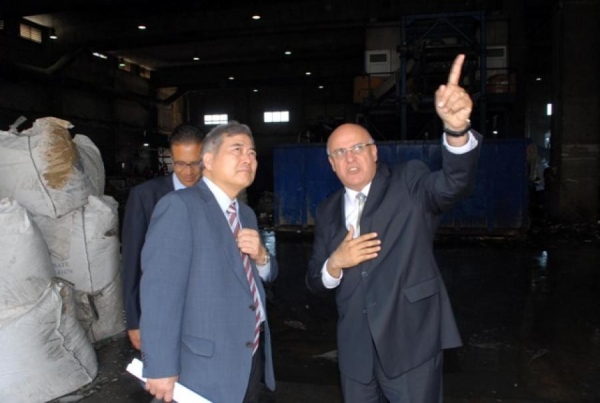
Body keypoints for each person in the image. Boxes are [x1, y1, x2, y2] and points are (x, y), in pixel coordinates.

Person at [306, 54, 482, 402]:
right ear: (331, 164)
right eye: (340, 153)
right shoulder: (326, 210)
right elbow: (314, 280)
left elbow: (453, 185)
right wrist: (335, 264)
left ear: (374, 153)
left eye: (358, 148)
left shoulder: (408, 182)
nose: (350, 158)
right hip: (355, 352)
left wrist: (456, 131)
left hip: (410, 342)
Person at [139, 121, 278, 403]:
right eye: (237, 150)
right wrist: (161, 367)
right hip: (202, 364)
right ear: (209, 161)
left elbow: (264, 275)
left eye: (252, 153)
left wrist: (262, 257)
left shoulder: (246, 214)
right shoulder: (180, 206)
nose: (248, 159)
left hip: (248, 355)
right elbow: (160, 293)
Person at [121, 123, 205, 351]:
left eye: (195, 163)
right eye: (180, 164)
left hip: (206, 309)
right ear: (171, 158)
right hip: (161, 307)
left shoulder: (217, 196)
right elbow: (131, 261)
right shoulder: (145, 197)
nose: (188, 172)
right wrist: (134, 321)